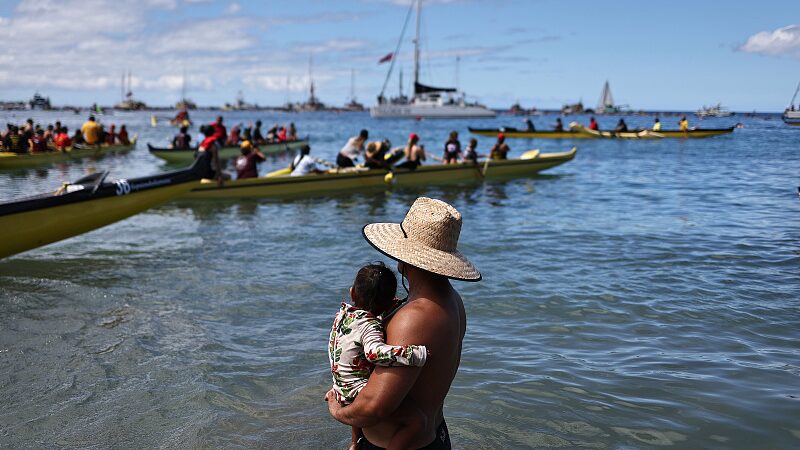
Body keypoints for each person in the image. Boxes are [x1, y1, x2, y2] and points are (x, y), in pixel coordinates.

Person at [327, 196, 482, 450]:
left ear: (407, 255)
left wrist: (337, 410)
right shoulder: (452, 300)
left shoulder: (413, 317)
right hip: (436, 435)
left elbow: (374, 407)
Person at [329, 262, 429, 450]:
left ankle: (354, 443)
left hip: (340, 386)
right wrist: (414, 354)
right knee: (417, 422)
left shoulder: (342, 315)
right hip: (356, 393)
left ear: (352, 293)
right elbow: (374, 353)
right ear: (390, 302)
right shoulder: (370, 325)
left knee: (357, 377)